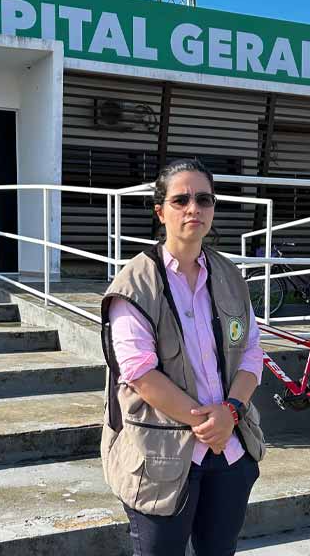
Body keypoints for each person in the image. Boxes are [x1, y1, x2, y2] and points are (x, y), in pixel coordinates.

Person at [100, 158, 266, 556]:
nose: (194, 208)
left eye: (204, 199)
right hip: (160, 456)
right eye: (181, 200)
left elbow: (251, 353)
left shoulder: (229, 275)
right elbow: (139, 372)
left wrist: (231, 411)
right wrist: (210, 421)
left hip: (230, 450)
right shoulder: (136, 282)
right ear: (161, 212)